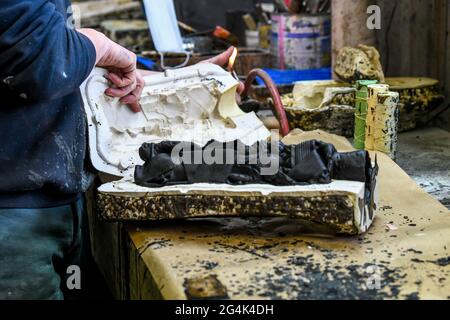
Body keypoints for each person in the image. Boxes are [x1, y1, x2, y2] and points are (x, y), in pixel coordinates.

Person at [0, 0, 240, 300]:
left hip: (50, 206)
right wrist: (98, 45)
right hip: (13, 224)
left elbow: (37, 62)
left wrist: (183, 81)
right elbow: (41, 57)